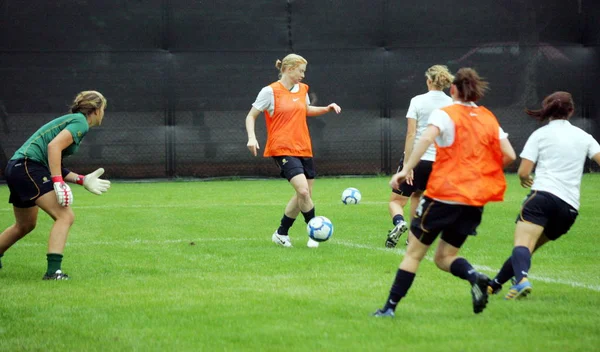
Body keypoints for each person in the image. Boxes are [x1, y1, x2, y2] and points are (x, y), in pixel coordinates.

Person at [372, 68, 517, 317]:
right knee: (445, 257)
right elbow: (510, 155)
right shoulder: (488, 117)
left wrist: (405, 169)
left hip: (444, 195)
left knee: (414, 255)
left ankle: (389, 308)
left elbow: (425, 139)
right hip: (473, 201)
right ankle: (475, 277)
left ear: (453, 90)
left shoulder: (445, 114)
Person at [488, 91, 600, 300]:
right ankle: (494, 285)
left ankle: (521, 281)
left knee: (522, 245)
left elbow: (523, 171)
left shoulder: (540, 135)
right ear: (571, 111)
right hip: (568, 209)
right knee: (527, 250)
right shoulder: (584, 137)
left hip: (542, 198)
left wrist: (523, 179)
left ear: (548, 110)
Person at [0, 91, 111, 279]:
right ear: (96, 109)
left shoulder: (73, 120)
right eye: (103, 109)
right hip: (28, 167)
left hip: (19, 167)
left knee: (25, 224)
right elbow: (53, 147)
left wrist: (82, 180)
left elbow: (54, 162)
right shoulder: (80, 122)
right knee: (65, 216)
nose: (104, 113)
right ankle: (54, 272)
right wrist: (58, 181)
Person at [245, 53, 341, 248]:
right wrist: (252, 138)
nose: (303, 75)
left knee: (304, 195)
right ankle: (315, 232)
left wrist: (327, 108)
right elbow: (251, 116)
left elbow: (306, 110)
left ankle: (281, 233)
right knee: (303, 191)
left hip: (304, 147)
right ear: (289, 69)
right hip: (282, 148)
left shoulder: (302, 89)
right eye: (301, 71)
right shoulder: (270, 91)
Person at [385, 65, 454, 248]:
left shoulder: (417, 100)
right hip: (439, 162)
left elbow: (411, 133)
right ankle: (413, 239)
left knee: (396, 201)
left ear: (429, 81)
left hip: (417, 159)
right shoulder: (451, 103)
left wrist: (407, 165)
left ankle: (399, 223)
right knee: (418, 195)